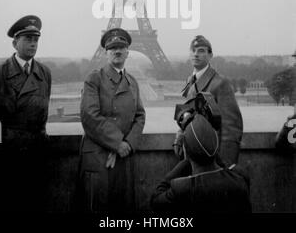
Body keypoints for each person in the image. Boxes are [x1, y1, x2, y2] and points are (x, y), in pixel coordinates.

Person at [78, 28, 146, 213]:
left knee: (121, 209)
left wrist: (128, 145)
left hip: (123, 155)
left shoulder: (132, 82)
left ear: (127, 52)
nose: (117, 51)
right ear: (106, 52)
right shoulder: (94, 79)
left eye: (121, 47)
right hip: (99, 155)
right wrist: (117, 143)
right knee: (98, 208)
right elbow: (89, 115)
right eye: (113, 47)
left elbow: (140, 115)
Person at [0, 15, 52, 212]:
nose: (33, 44)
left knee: (37, 203)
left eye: (36, 39)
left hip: (38, 152)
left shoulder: (45, 73)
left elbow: (43, 113)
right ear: (14, 42)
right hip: (9, 154)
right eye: (28, 39)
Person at [151, 114, 251, 213]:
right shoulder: (239, 180)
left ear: (186, 151)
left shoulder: (181, 189)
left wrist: (186, 160)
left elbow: (155, 201)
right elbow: (225, 171)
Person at [173, 35, 243, 166]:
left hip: (211, 160)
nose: (196, 54)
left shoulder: (220, 83)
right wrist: (179, 137)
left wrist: (226, 163)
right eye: (193, 50)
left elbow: (231, 128)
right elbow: (188, 114)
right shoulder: (190, 81)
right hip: (191, 155)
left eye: (201, 50)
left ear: (210, 55)